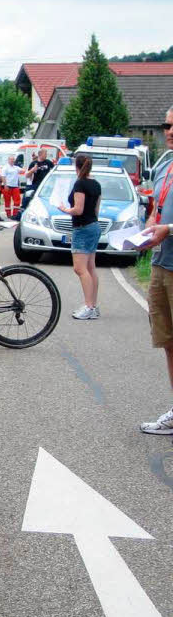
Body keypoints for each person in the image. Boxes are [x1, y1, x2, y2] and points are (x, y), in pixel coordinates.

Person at [139, 108, 173, 433]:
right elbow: (156, 210)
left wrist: (169, 229)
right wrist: (149, 227)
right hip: (161, 265)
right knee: (168, 342)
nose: (169, 131)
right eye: (167, 125)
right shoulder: (166, 167)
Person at [57, 154, 102, 320]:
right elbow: (96, 210)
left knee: (80, 268)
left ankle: (88, 306)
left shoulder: (80, 184)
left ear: (76, 166)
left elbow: (78, 209)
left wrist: (64, 209)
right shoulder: (96, 184)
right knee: (91, 267)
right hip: (94, 226)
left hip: (82, 227)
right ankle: (93, 306)